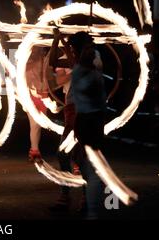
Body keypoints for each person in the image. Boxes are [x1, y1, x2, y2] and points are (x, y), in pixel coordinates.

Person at [70, 33, 106, 219]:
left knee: (90, 166)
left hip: (92, 121)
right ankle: (93, 210)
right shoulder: (81, 72)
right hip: (88, 122)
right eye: (88, 47)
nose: (93, 50)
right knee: (92, 169)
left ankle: (92, 208)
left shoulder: (89, 66)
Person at [26, 47, 49, 162]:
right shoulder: (25, 62)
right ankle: (35, 151)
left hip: (44, 95)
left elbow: (48, 76)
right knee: (34, 124)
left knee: (39, 125)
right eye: (34, 50)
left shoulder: (46, 60)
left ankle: (34, 150)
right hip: (31, 96)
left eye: (38, 49)